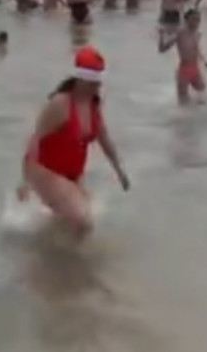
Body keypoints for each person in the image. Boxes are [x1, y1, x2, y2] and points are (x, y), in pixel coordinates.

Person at [18, 46, 130, 236]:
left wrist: (119, 170)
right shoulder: (60, 104)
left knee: (70, 219)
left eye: (98, 82)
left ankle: (48, 254)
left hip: (71, 173)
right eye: (93, 83)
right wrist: (26, 182)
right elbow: (35, 138)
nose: (97, 87)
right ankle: (73, 264)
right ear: (80, 80)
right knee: (84, 221)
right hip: (44, 169)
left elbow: (104, 138)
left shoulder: (93, 104)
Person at [160, 8, 207, 104]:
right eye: (194, 19)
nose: (197, 23)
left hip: (195, 69)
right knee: (183, 103)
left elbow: (196, 49)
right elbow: (162, 49)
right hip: (183, 71)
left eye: (198, 20)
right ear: (186, 20)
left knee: (205, 100)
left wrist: (205, 61)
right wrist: (161, 36)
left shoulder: (198, 33)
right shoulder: (180, 33)